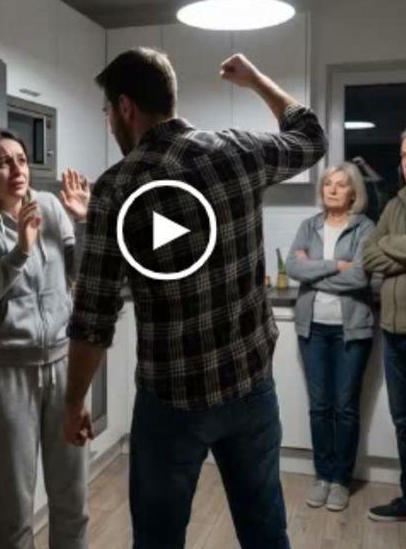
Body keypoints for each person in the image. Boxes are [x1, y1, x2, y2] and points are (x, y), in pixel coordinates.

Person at [63, 48, 327, 549]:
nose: (109, 123)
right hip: (249, 386)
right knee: (265, 531)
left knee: (158, 539)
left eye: (107, 112)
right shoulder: (238, 150)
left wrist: (74, 399)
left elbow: (93, 314)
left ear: (125, 107)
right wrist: (257, 80)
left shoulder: (117, 186)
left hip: (171, 400)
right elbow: (312, 136)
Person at [0, 128, 90, 549]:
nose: (17, 170)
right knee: (13, 513)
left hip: (64, 368)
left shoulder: (50, 206)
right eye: (3, 163)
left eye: (22, 160)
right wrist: (20, 252)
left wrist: (84, 222)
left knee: (73, 504)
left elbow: (82, 274)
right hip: (6, 376)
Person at [286, 162, 375, 512]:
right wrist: (336, 265)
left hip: (350, 330)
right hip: (313, 329)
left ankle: (341, 479)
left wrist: (314, 271)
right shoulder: (309, 226)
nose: (333, 190)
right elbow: (294, 267)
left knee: (345, 407)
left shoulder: (365, 228)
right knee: (320, 406)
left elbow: (361, 277)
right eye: (328, 184)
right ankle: (322, 475)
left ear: (353, 192)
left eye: (341, 184)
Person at [362, 125, 406, 533]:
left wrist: (392, 247)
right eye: (404, 156)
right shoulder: (399, 201)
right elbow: (369, 253)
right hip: (393, 332)